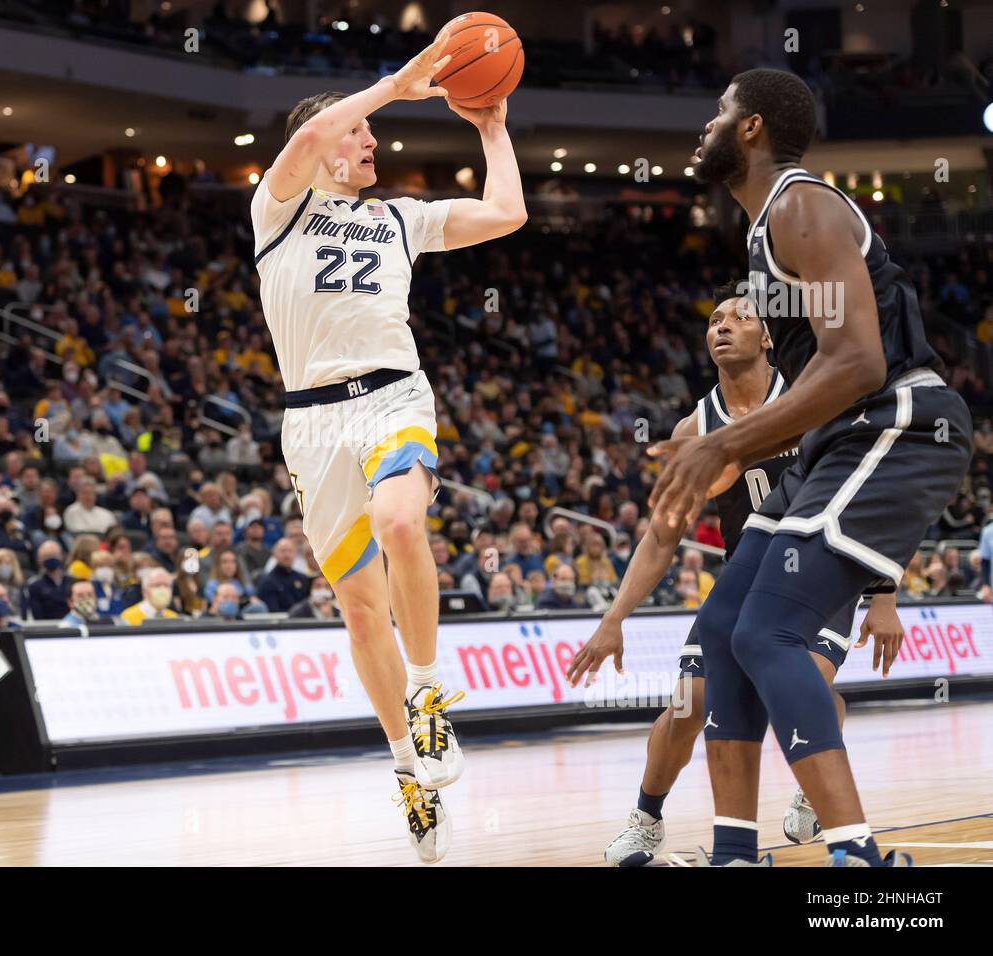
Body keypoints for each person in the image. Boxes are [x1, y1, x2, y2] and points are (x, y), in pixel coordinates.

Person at [649, 68, 970, 867]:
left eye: (720, 110)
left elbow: (859, 361)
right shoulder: (765, 234)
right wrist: (715, 440)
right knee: (723, 630)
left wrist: (728, 442)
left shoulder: (802, 206)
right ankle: (733, 851)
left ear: (751, 128)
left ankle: (857, 856)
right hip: (842, 438)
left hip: (897, 422)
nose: (707, 124)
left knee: (769, 632)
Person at [250, 28, 526, 863]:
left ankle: (430, 688)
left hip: (394, 395)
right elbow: (304, 138)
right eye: (360, 133)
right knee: (361, 609)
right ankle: (406, 762)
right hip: (312, 424)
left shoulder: (402, 220)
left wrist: (491, 127)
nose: (374, 139)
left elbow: (508, 212)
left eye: (372, 130)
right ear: (330, 142)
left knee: (404, 523)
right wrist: (394, 83)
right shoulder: (278, 209)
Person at [570, 289, 903, 865]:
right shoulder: (696, 425)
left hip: (821, 570)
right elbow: (661, 536)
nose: (721, 327)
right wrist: (613, 617)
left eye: (739, 317)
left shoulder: (807, 397)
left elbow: (870, 490)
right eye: (714, 320)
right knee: (687, 704)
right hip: (746, 576)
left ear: (768, 335)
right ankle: (647, 817)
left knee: (804, 681)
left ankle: (821, 802)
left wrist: (884, 596)